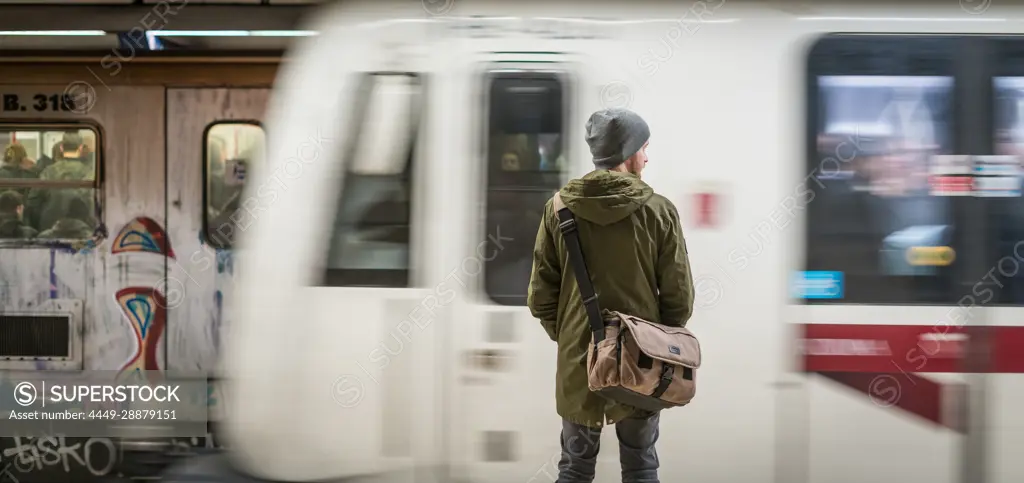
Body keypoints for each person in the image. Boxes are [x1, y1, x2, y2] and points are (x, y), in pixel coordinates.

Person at [526, 108, 694, 483]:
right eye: (645, 148)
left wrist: (575, 337)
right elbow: (679, 298)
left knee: (574, 468)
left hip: (579, 362)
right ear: (630, 152)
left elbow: (540, 296)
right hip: (643, 358)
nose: (647, 157)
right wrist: (658, 341)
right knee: (641, 466)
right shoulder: (659, 211)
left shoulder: (558, 209)